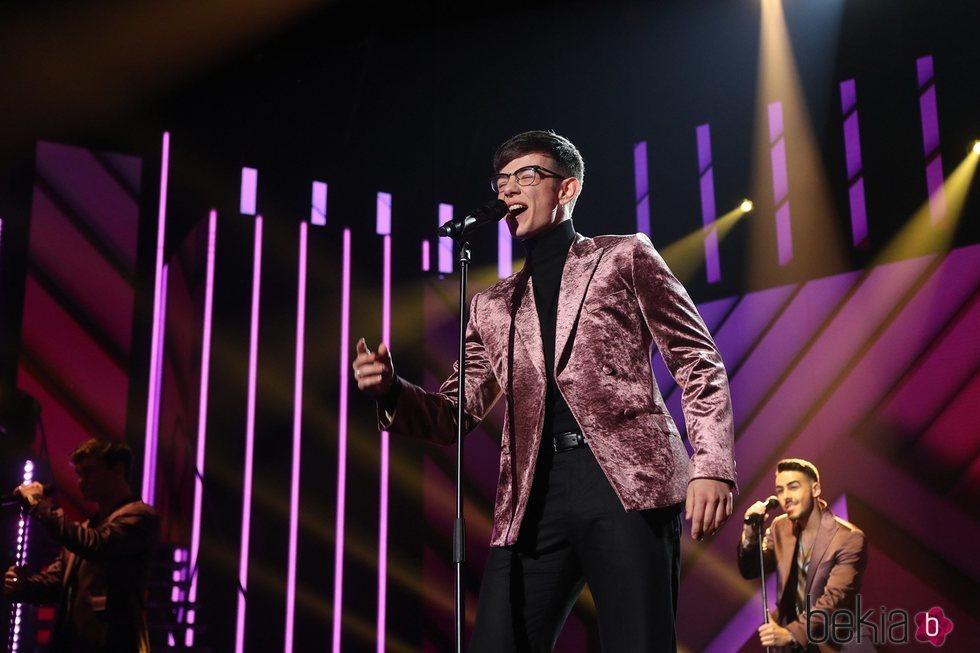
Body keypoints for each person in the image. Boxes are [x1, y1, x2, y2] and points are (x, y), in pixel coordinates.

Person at [354, 129, 736, 652]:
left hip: (625, 483)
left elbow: (698, 358)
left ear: (567, 188)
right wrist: (393, 391)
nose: (509, 188)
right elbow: (453, 413)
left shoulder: (623, 257)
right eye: (502, 179)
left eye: (526, 175)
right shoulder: (493, 305)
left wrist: (711, 463)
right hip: (533, 496)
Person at [4, 438, 159, 653]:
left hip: (112, 644)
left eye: (89, 471)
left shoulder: (140, 516)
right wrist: (23, 586)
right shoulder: (86, 529)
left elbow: (97, 545)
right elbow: (56, 583)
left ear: (118, 471)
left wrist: (39, 507)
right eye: (79, 474)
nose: (81, 481)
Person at [738, 458, 867, 652]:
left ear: (815, 489)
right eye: (780, 490)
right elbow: (752, 569)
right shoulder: (779, 527)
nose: (785, 497)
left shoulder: (848, 538)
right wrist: (749, 533)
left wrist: (791, 634)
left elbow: (834, 599)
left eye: (793, 487)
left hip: (834, 644)